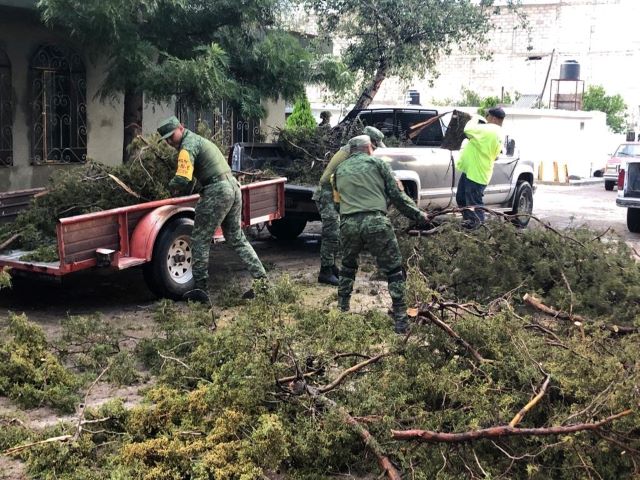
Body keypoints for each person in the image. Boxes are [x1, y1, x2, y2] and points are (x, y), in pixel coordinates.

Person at [157, 116, 267, 303]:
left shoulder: (187, 146)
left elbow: (183, 179)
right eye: (166, 139)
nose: (169, 142)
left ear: (181, 128)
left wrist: (166, 187)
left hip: (217, 191)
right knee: (236, 237)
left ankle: (201, 290)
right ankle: (262, 282)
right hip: (232, 186)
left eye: (171, 136)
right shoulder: (199, 140)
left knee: (199, 239)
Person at [332, 135, 428, 334]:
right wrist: (418, 215)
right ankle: (401, 320)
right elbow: (397, 195)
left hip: (348, 224)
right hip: (376, 222)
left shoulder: (338, 170)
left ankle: (341, 313)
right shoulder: (378, 163)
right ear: (368, 148)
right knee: (393, 270)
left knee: (347, 268)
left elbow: (336, 204)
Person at [313, 126, 386, 286]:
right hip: (327, 194)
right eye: (374, 146)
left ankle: (330, 266)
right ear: (368, 142)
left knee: (337, 233)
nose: (373, 150)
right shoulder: (351, 153)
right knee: (331, 234)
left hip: (335, 193)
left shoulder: (351, 150)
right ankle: (325, 272)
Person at [455, 107, 505, 228]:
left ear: (492, 117)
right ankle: (469, 224)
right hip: (474, 171)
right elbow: (496, 155)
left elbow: (467, 129)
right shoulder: (499, 133)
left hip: (476, 174)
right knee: (461, 198)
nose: (486, 119)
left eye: (487, 116)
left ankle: (477, 231)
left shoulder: (489, 129)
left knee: (474, 204)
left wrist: (475, 117)